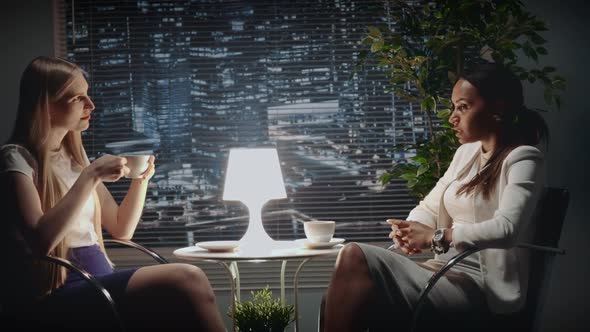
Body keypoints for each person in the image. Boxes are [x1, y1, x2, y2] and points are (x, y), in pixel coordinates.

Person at [0, 56, 226, 331]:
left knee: (176, 303)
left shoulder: (74, 161)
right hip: (60, 286)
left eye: (89, 95)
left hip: (99, 276)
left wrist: (140, 181)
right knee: (188, 278)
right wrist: (91, 175)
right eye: (77, 98)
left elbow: (121, 229)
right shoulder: (16, 159)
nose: (91, 105)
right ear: (46, 105)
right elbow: (39, 241)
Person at [323, 63, 549, 332]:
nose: (452, 117)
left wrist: (437, 237)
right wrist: (408, 229)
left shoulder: (523, 158)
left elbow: (507, 229)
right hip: (440, 270)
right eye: (454, 107)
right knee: (343, 293)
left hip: (483, 288)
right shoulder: (466, 154)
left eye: (463, 107)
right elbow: (428, 206)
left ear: (497, 108)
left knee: (353, 257)